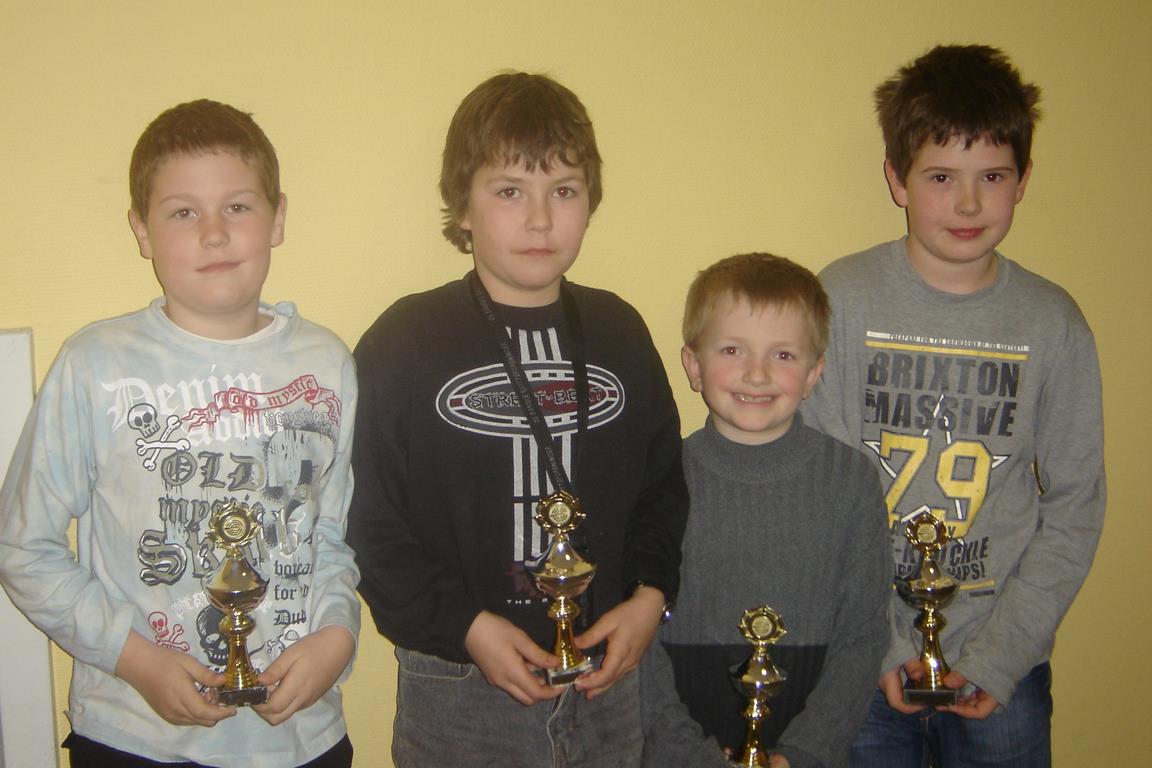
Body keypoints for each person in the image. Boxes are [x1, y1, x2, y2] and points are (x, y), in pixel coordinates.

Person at [0, 99, 359, 768]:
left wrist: (337, 636)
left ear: (278, 217)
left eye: (237, 207)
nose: (214, 234)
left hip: (299, 738)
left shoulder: (327, 364)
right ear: (142, 231)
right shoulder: (95, 365)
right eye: (183, 212)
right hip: (134, 735)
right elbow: (23, 546)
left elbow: (331, 535)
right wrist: (135, 660)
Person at [347, 72, 688, 767]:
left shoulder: (620, 331)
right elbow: (368, 519)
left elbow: (662, 487)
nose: (539, 219)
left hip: (607, 683)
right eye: (509, 191)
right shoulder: (406, 340)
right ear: (463, 207)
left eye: (563, 190)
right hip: (459, 688)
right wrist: (463, 626)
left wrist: (652, 595)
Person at [802, 45, 1106, 767]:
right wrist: (880, 645)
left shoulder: (1053, 323)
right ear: (896, 179)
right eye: (941, 177)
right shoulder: (839, 301)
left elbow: (1075, 504)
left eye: (991, 176)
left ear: (1023, 180)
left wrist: (1002, 657)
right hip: (861, 658)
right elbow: (818, 488)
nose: (968, 204)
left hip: (1003, 666)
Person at [640, 253, 890, 768]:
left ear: (814, 373)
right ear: (693, 365)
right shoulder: (659, 480)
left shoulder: (852, 482)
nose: (756, 374)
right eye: (732, 350)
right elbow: (638, 640)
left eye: (783, 355)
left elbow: (863, 637)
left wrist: (804, 753)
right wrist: (688, 755)